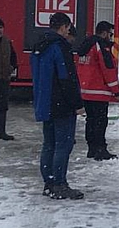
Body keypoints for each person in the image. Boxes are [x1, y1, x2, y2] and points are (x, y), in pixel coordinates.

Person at [31, 12, 85, 200]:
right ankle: (59, 184)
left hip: (45, 102)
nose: (68, 31)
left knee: (49, 144)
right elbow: (66, 78)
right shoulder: (60, 47)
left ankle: (49, 183)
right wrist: (77, 103)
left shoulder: (39, 46)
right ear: (63, 27)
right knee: (63, 145)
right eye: (68, 27)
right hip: (61, 104)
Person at [76, 21, 119, 160]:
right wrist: (116, 91)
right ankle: (100, 150)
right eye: (110, 34)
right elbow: (108, 70)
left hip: (86, 91)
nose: (111, 37)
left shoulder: (86, 46)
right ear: (104, 33)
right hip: (99, 92)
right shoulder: (100, 46)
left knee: (91, 121)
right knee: (100, 122)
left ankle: (92, 148)